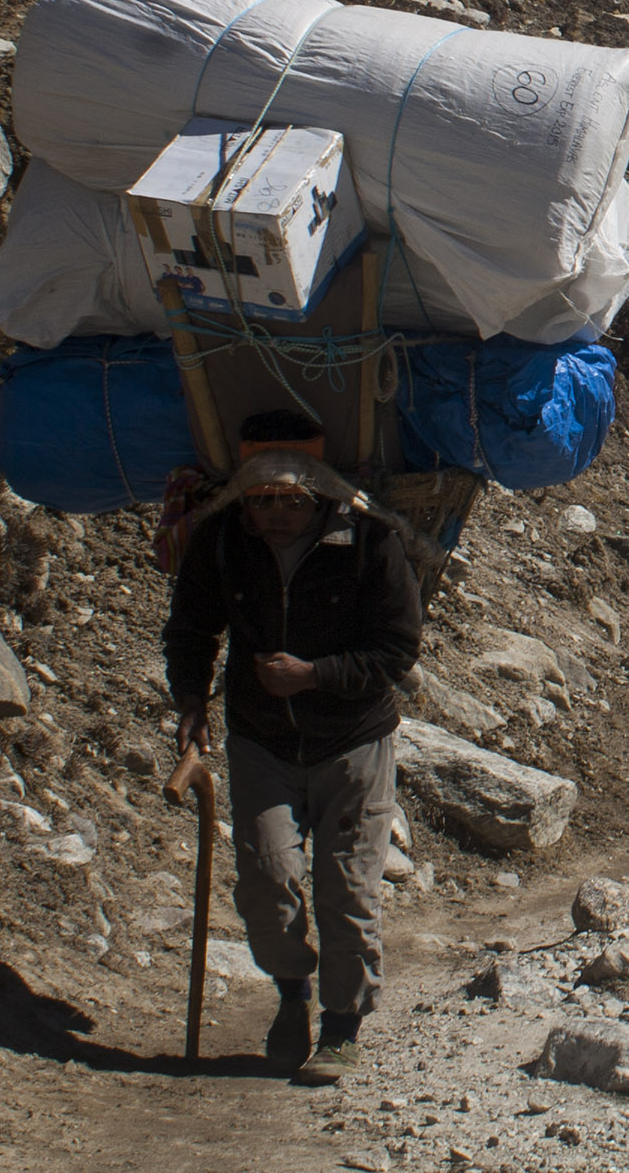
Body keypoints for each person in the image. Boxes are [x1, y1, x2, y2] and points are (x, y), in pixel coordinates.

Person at [162, 442, 420, 1085]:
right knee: (266, 885)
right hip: (261, 739)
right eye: (261, 500)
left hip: (354, 739)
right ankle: (291, 994)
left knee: (349, 888)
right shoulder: (223, 543)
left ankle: (341, 1026)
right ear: (243, 500)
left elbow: (396, 648)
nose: (275, 514)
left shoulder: (368, 543)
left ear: (321, 499)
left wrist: (313, 675)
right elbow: (192, 628)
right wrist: (191, 699)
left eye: (290, 501)